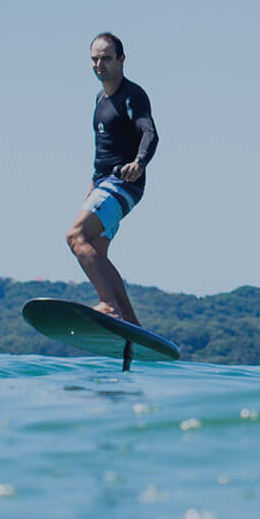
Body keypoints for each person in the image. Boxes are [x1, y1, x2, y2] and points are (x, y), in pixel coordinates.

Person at [67, 33, 158, 325]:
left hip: (124, 183)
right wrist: (93, 184)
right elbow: (102, 150)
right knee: (96, 254)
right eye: (94, 59)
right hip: (105, 184)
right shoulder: (99, 98)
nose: (99, 64)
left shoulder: (132, 95)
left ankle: (107, 304)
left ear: (121, 59)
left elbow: (149, 131)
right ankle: (131, 323)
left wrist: (139, 162)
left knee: (76, 236)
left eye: (106, 58)